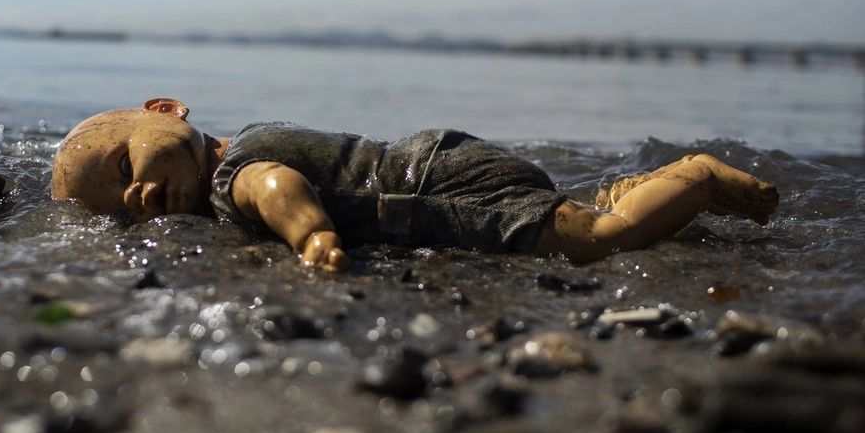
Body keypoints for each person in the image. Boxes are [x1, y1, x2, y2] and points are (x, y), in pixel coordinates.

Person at [50, 99, 779, 270]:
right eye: (120, 206)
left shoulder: (232, 173)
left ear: (166, 110)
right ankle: (630, 187)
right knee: (571, 212)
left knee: (589, 243)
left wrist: (313, 235)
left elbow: (273, 189)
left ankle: (694, 177)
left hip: (439, 185)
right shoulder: (235, 152)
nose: (138, 198)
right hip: (442, 161)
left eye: (125, 171)